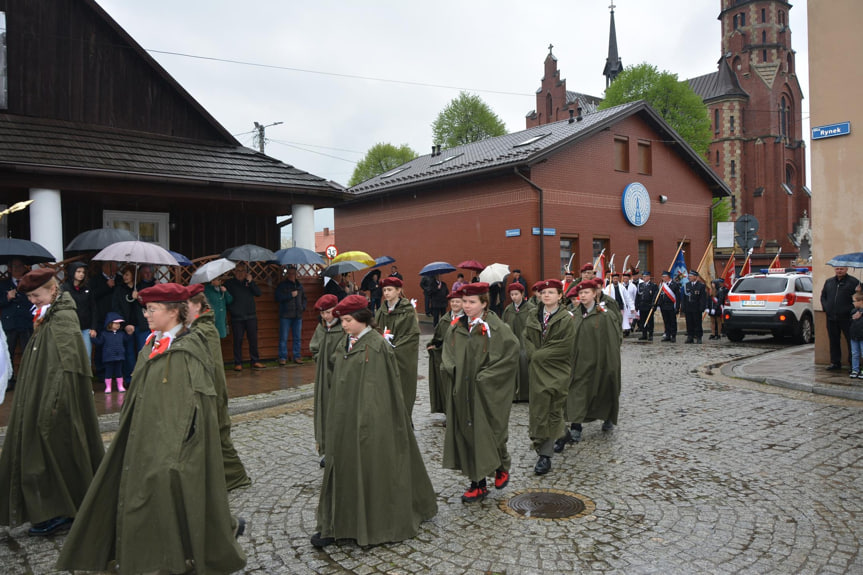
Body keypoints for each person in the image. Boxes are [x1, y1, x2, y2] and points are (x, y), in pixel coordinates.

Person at [57, 283, 246, 574]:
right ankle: (141, 556)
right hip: (142, 439)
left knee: (168, 501)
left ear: (174, 312)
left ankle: (172, 558)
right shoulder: (154, 344)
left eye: (152, 309)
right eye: (146, 308)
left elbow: (196, 411)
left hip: (169, 448)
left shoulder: (186, 352)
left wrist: (177, 452)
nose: (146, 314)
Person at [312, 294, 437, 548]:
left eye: (347, 320)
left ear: (361, 319)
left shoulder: (375, 347)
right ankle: (337, 524)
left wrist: (366, 424)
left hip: (368, 424)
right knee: (343, 471)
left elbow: (378, 394)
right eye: (342, 320)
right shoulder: (348, 341)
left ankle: (371, 527)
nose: (343, 325)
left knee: (369, 472)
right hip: (345, 420)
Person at [0, 268, 104, 536]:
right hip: (41, 394)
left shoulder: (63, 319)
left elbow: (67, 366)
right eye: (30, 296)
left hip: (57, 399)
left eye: (36, 294)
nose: (33, 299)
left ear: (53, 289)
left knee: (54, 452)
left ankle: (61, 511)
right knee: (43, 454)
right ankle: (50, 510)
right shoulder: (48, 315)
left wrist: (52, 402)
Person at [440, 282, 519, 502]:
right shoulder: (456, 327)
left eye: (472, 302)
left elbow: (510, 354)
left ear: (484, 303)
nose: (466, 306)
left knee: (491, 431)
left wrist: (486, 377)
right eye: (464, 302)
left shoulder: (496, 327)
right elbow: (447, 353)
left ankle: (501, 465)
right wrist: (451, 368)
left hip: (486, 391)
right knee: (468, 434)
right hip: (462, 390)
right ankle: (477, 483)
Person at [187, 283, 251, 490]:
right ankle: (228, 476)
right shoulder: (196, 328)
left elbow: (212, 367)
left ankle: (236, 477)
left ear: (197, 306)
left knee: (220, 434)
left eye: (185, 304)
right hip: (207, 389)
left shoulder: (205, 330)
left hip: (213, 390)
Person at [523, 279, 575, 476]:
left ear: (560, 296)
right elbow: (526, 337)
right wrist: (533, 354)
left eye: (551, 292)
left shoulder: (566, 319)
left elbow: (565, 346)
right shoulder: (533, 316)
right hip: (537, 371)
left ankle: (545, 456)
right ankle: (560, 435)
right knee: (540, 408)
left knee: (552, 407)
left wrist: (538, 355)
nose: (546, 295)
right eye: (543, 292)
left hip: (557, 370)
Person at [561, 280, 622, 446]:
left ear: (595, 293)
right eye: (580, 293)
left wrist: (611, 362)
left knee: (604, 388)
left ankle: (608, 415)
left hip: (599, 361)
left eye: (586, 292)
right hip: (578, 363)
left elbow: (612, 340)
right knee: (576, 392)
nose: (582, 296)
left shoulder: (605, 315)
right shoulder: (573, 314)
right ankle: (576, 426)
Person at [374, 277, 420, 417]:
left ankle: (405, 419)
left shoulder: (407, 311)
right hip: (383, 355)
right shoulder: (381, 311)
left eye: (389, 290)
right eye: (384, 290)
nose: (386, 293)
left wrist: (393, 348)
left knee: (403, 387)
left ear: (398, 291)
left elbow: (411, 335)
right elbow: (375, 330)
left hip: (402, 357)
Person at [309, 294, 342, 468]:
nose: (326, 317)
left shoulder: (344, 328)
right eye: (322, 314)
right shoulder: (321, 328)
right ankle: (327, 450)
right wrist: (318, 358)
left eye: (328, 312)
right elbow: (314, 347)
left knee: (339, 413)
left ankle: (340, 450)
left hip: (339, 377)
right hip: (323, 379)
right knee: (325, 413)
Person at [427, 288, 464, 416]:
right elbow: (438, 337)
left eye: (457, 302)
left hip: (460, 359)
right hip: (445, 358)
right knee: (446, 387)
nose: (454, 304)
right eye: (452, 302)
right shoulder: (445, 319)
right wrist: (433, 346)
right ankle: (449, 414)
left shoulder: (466, 320)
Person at [224, 261, 264, 371]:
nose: (240, 273)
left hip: (251, 316)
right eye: (238, 271)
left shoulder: (249, 282)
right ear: (234, 272)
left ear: (246, 272)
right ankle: (238, 363)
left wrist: (251, 282)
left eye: (242, 271)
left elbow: (258, 293)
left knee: (253, 340)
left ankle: (255, 361)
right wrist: (233, 310)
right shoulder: (229, 284)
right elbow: (226, 298)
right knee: (238, 340)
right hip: (237, 317)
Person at [820, 266, 861, 371]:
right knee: (833, 341)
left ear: (846, 269)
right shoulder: (829, 282)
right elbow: (823, 296)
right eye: (837, 269)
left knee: (850, 341)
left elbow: (859, 296)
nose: (839, 271)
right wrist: (826, 308)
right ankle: (835, 362)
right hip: (831, 317)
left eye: (841, 269)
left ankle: (853, 364)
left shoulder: (853, 282)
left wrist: (853, 310)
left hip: (847, 318)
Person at [0, 258, 32, 391]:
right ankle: (9, 380)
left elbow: (34, 300)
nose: (18, 269)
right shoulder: (3, 284)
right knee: (9, 352)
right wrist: (7, 297)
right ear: (9, 268)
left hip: (25, 322)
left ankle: (27, 380)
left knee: (28, 353)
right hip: (10, 322)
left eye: (20, 266)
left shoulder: (29, 283)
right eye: (15, 266)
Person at [502, 281, 535, 402]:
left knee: (526, 367)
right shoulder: (508, 310)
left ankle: (526, 394)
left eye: (516, 294)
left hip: (526, 344)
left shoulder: (531, 309)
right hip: (512, 344)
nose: (514, 297)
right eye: (511, 295)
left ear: (522, 293)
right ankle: (514, 394)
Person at [111, 265, 140, 381]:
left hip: (140, 326)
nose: (124, 277)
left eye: (127, 274)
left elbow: (147, 305)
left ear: (133, 275)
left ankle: (141, 379)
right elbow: (116, 307)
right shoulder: (119, 290)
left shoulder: (141, 287)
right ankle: (129, 379)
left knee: (142, 351)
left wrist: (139, 298)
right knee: (129, 354)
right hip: (126, 327)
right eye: (124, 274)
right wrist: (125, 325)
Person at [275, 265, 307, 366]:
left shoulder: (299, 285)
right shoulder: (282, 285)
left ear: (296, 274)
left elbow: (304, 298)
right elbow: (277, 297)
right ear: (287, 274)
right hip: (286, 314)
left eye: (293, 273)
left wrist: (303, 307)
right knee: (283, 337)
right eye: (290, 273)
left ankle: (297, 356)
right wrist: (290, 295)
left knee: (297, 337)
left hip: (298, 315)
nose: (291, 275)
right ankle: (282, 357)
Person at [91, 312, 129, 393]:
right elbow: (99, 343)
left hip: (119, 357)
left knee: (119, 372)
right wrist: (93, 338)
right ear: (109, 324)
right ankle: (108, 387)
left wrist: (130, 334)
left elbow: (126, 341)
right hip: (108, 357)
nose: (118, 325)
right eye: (116, 323)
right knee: (108, 373)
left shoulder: (121, 333)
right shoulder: (104, 334)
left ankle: (120, 386)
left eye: (119, 323)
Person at [133, 265, 156, 351]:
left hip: (156, 321)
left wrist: (158, 286)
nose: (148, 274)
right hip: (142, 323)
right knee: (143, 348)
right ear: (141, 274)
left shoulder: (156, 284)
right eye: (145, 273)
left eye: (150, 272)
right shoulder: (138, 286)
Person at [682, 270, 708, 344]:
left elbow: (703, 298)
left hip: (696, 307)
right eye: (689, 276)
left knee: (697, 323)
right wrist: (683, 306)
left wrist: (702, 307)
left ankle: (699, 337)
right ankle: (690, 336)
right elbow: (684, 297)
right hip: (688, 307)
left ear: (695, 277)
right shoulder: (687, 285)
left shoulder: (701, 286)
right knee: (689, 323)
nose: (689, 277)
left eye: (691, 276)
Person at [658, 270, 681, 342]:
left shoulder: (675, 284)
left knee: (672, 321)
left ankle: (673, 335)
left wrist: (677, 307)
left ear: (668, 277)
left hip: (671, 305)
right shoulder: (662, 285)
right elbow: (660, 295)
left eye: (664, 277)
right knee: (666, 321)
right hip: (664, 306)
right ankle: (667, 334)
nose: (662, 278)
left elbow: (678, 297)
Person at [635, 272, 659, 341]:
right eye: (643, 277)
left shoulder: (653, 286)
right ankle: (644, 334)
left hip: (649, 306)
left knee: (650, 321)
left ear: (649, 277)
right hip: (642, 305)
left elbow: (655, 296)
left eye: (645, 276)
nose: (644, 278)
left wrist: (654, 305)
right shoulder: (640, 285)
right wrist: (636, 305)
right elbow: (637, 296)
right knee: (642, 321)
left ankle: (650, 334)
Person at [849, 293, 863, 378]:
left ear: (860, 301)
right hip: (854, 336)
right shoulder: (853, 311)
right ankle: (855, 369)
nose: (853, 303)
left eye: (854, 301)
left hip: (862, 336)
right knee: (855, 353)